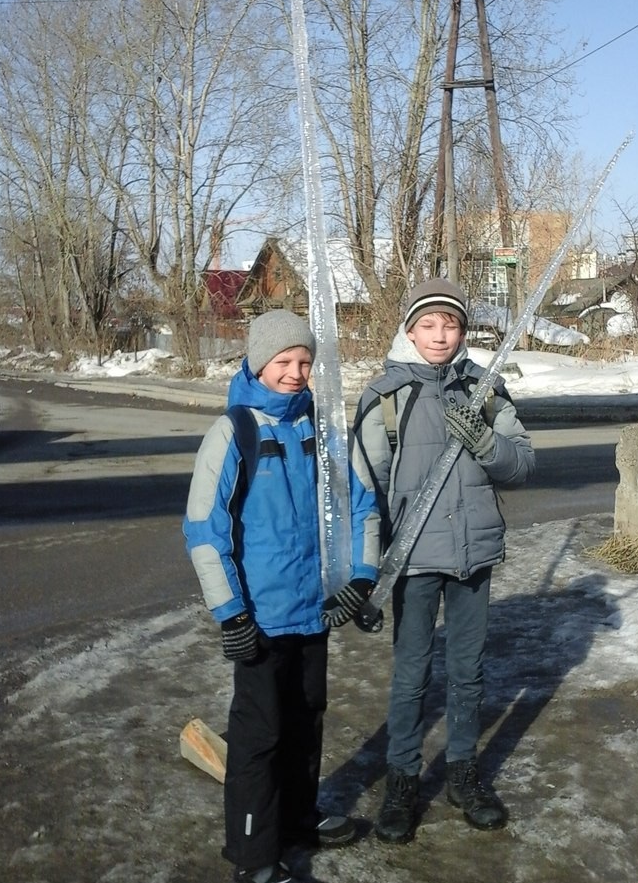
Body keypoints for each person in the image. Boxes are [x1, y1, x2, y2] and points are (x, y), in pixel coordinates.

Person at [183, 309, 380, 883]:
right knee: (258, 736)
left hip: (311, 613)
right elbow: (203, 530)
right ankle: (253, 857)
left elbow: (361, 504)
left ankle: (298, 817)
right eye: (283, 362)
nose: (295, 373)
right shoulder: (234, 432)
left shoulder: (322, 430)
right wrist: (230, 613)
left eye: (304, 362)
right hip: (260, 619)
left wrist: (360, 577)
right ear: (257, 362)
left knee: (306, 720)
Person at [352, 278, 535, 844]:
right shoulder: (384, 396)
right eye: (428, 324)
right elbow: (365, 493)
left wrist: (485, 444)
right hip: (411, 560)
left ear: (463, 331)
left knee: (468, 672)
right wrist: (365, 573)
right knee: (410, 675)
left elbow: (523, 465)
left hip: (472, 553)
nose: (439, 335)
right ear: (409, 330)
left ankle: (462, 774)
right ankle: (403, 781)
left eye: (450, 324)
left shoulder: (486, 390)